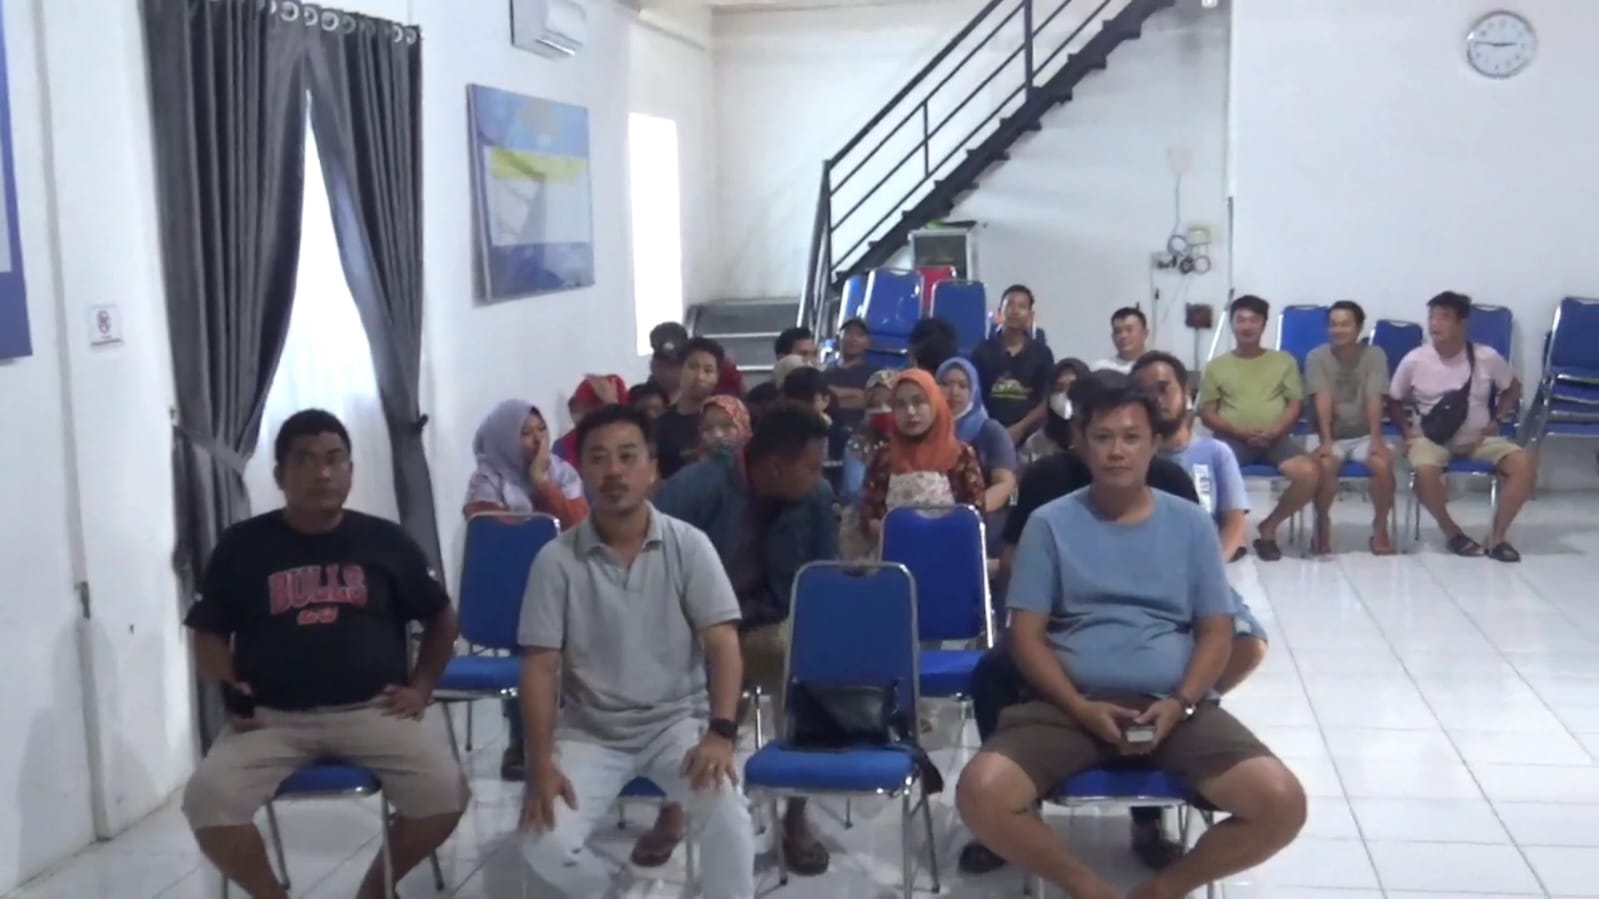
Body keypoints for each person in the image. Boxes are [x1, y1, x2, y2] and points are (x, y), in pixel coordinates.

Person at [955, 380, 1306, 899]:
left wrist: (1182, 702)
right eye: (1103, 437)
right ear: (1081, 442)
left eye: (1131, 437)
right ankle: (1088, 889)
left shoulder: (1191, 525)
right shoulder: (1049, 525)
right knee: (980, 794)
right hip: (1068, 706)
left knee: (1281, 803)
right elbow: (1024, 635)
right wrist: (1078, 706)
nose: (1117, 451)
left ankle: (1163, 890)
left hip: (1172, 706)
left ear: (1155, 443)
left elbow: (1216, 630)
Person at [182, 410, 467, 899]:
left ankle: (373, 891)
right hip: (272, 719)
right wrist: (230, 685)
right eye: (306, 460)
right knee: (208, 801)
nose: (323, 473)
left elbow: (441, 617)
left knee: (446, 793)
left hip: (372, 710)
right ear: (279, 475)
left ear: (351, 470)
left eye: (335, 459)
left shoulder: (385, 541)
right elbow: (207, 634)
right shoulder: (242, 545)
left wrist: (421, 688)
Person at [518, 405, 754, 898]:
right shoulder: (554, 561)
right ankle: (617, 893)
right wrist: (540, 763)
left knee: (728, 814)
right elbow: (540, 668)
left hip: (676, 724)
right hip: (590, 732)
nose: (613, 471)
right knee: (542, 841)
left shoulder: (689, 546)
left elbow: (723, 642)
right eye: (598, 459)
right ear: (581, 471)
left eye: (628, 457)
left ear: (653, 469)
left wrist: (720, 733)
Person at [641, 404, 838, 875]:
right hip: (696, 629)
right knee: (687, 673)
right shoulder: (697, 488)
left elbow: (824, 579)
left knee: (805, 661)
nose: (820, 477)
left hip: (768, 624)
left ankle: (796, 811)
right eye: (811, 466)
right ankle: (674, 805)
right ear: (776, 466)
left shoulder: (816, 497)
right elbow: (650, 564)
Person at [462, 400, 591, 781]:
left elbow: (579, 525)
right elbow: (493, 535)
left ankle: (571, 738)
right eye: (524, 433)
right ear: (504, 438)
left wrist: (541, 483)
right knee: (527, 648)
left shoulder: (562, 472)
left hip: (568, 581)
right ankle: (524, 741)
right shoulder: (486, 480)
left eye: (541, 430)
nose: (536, 440)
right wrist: (539, 523)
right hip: (512, 590)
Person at [1389, 291, 1535, 561]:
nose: (1435, 324)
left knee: (1524, 463)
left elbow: (1513, 388)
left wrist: (1498, 419)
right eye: (1432, 317)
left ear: (1462, 323)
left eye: (1444, 318)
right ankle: (1453, 533)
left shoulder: (1486, 357)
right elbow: (1393, 400)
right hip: (1431, 438)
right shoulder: (1415, 359)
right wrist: (1407, 432)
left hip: (1477, 439)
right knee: (1424, 471)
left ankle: (1497, 537)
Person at [1198, 295, 1319, 561]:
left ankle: (1269, 528)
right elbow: (1207, 412)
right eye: (1240, 320)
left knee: (1309, 473)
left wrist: (1275, 431)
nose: (1247, 326)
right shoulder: (1217, 366)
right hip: (1231, 439)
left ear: (1264, 324)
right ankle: (1233, 536)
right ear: (1232, 324)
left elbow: (1295, 404)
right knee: (1213, 472)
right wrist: (1238, 432)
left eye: (1253, 320)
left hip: (1276, 438)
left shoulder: (1283, 361)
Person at [1304, 300, 1397, 555]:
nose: (1338, 330)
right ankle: (1322, 524)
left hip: (1364, 433)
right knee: (1326, 465)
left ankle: (1380, 527)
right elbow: (1322, 398)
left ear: (1358, 327)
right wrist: (1326, 440)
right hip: (1326, 433)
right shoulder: (1317, 357)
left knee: (1382, 464)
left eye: (1345, 324)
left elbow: (1374, 397)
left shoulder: (1374, 355)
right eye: (1333, 325)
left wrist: (1376, 439)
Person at [859, 368, 987, 542]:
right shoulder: (883, 457)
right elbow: (867, 513)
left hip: (949, 549)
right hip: (896, 550)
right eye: (900, 405)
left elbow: (976, 514)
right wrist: (891, 532)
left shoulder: (961, 455)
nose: (910, 411)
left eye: (918, 402)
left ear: (935, 403)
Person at [970, 284, 1056, 443]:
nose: (1015, 311)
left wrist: (1020, 429)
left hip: (1029, 435)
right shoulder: (982, 351)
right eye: (1010, 305)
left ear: (1030, 315)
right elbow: (974, 396)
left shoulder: (1042, 354)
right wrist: (994, 430)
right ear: (999, 312)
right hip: (986, 431)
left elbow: (1046, 401)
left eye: (1022, 307)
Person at [938, 357, 1019, 517]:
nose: (954, 392)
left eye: (963, 386)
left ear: (974, 391)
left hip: (981, 517)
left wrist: (969, 512)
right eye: (946, 384)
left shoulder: (991, 431)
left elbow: (1005, 483)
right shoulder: (926, 428)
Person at [655, 337, 725, 479]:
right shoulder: (661, 426)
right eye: (693, 367)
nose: (700, 376)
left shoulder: (727, 419)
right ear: (680, 370)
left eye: (708, 370)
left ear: (717, 377)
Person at [1019, 358, 1092, 467]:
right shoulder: (1037, 442)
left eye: (1073, 387)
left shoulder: (1097, 438)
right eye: (1059, 388)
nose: (1066, 394)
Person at [553, 375, 627, 465]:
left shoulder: (630, 445)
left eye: (588, 410)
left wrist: (613, 404)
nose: (578, 415)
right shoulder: (563, 447)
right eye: (574, 407)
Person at [824, 316, 878, 431]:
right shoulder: (824, 372)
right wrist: (856, 394)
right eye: (848, 333)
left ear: (867, 342)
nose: (853, 339)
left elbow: (871, 401)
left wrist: (831, 395)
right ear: (838, 338)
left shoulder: (875, 374)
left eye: (860, 335)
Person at [1092, 307, 1151, 374]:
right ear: (1112, 337)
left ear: (1145, 334)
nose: (1123, 336)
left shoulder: (1155, 367)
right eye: (1118, 331)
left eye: (1129, 330)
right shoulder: (1101, 368)